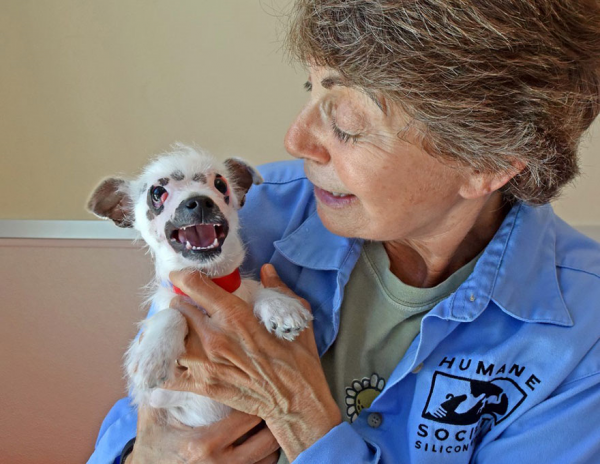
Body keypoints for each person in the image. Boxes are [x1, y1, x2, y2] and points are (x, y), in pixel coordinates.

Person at [89, 0, 600, 463]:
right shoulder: (252, 216)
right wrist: (146, 456)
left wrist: (304, 417)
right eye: (311, 90)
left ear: (484, 165)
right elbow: (149, 406)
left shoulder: (580, 342)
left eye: (348, 123)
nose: (295, 140)